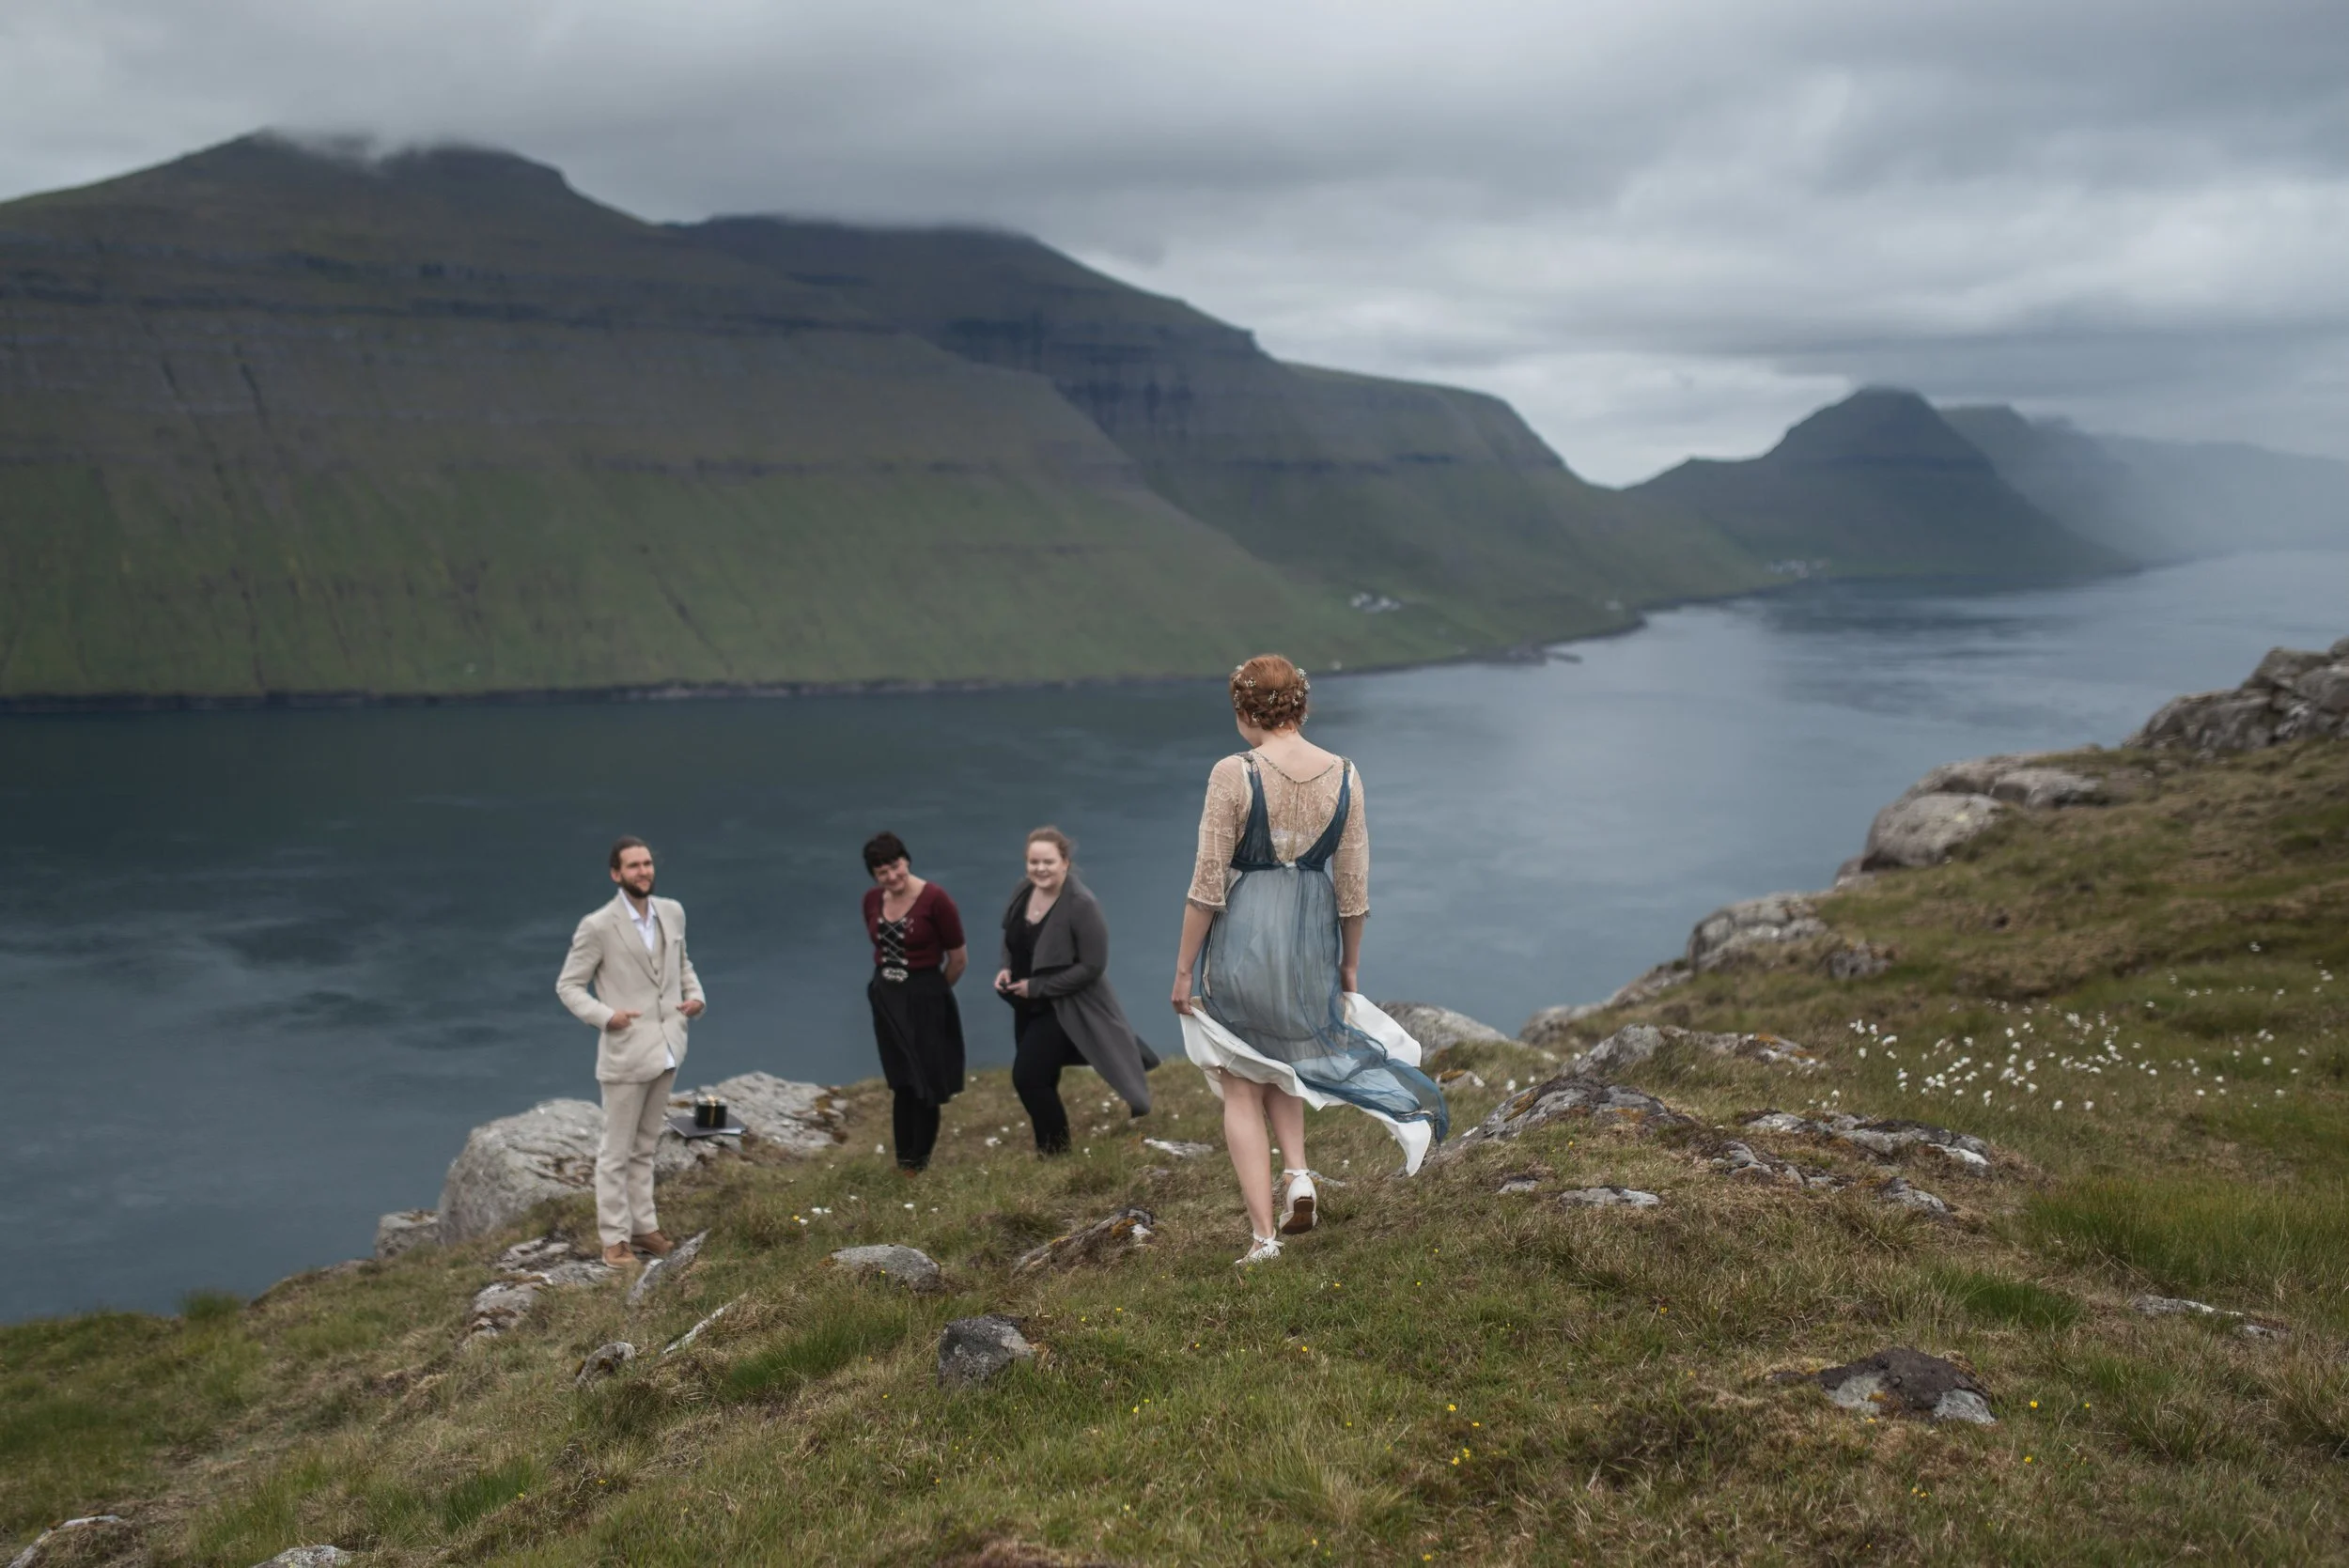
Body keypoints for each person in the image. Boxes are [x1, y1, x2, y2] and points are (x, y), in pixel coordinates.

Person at [1172, 655, 1449, 1265]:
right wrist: (1348, 967)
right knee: (1286, 1053)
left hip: (1244, 935)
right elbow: (1354, 887)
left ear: (1246, 711)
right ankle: (1298, 1173)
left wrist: (1184, 968)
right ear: (1301, 706)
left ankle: (1263, 1238)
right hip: (1310, 942)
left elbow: (1207, 883)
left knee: (1241, 1079)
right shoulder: (1346, 774)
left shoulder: (1234, 772)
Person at [555, 836, 707, 1268]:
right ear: (615, 874)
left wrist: (695, 998)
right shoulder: (598, 925)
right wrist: (606, 1017)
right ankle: (614, 1241)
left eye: (647, 864)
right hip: (625, 1052)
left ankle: (644, 1228)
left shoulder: (672, 912)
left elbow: (683, 965)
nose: (643, 871)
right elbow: (568, 985)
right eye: (633, 866)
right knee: (615, 1151)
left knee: (645, 1146)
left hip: (668, 1046)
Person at [992, 827, 1159, 1154]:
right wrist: (1006, 968)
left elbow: (1092, 966)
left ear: (1065, 862)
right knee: (1043, 1077)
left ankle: (1056, 1154)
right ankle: (1048, 1148)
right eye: (1033, 862)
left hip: (1065, 1007)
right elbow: (1010, 937)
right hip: (1025, 1004)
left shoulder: (1081, 904)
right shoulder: (1023, 891)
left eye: (1048, 862)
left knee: (1028, 1078)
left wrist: (1037, 986)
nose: (1040, 869)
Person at [861, 831, 968, 1173]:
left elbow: (958, 959)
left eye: (895, 866)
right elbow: (877, 945)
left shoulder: (936, 899)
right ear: (874, 876)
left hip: (925, 994)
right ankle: (903, 1162)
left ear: (906, 860)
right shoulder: (871, 901)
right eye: (882, 872)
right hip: (886, 997)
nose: (891, 876)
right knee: (902, 1081)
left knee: (926, 1081)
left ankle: (917, 1165)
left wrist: (933, 991)